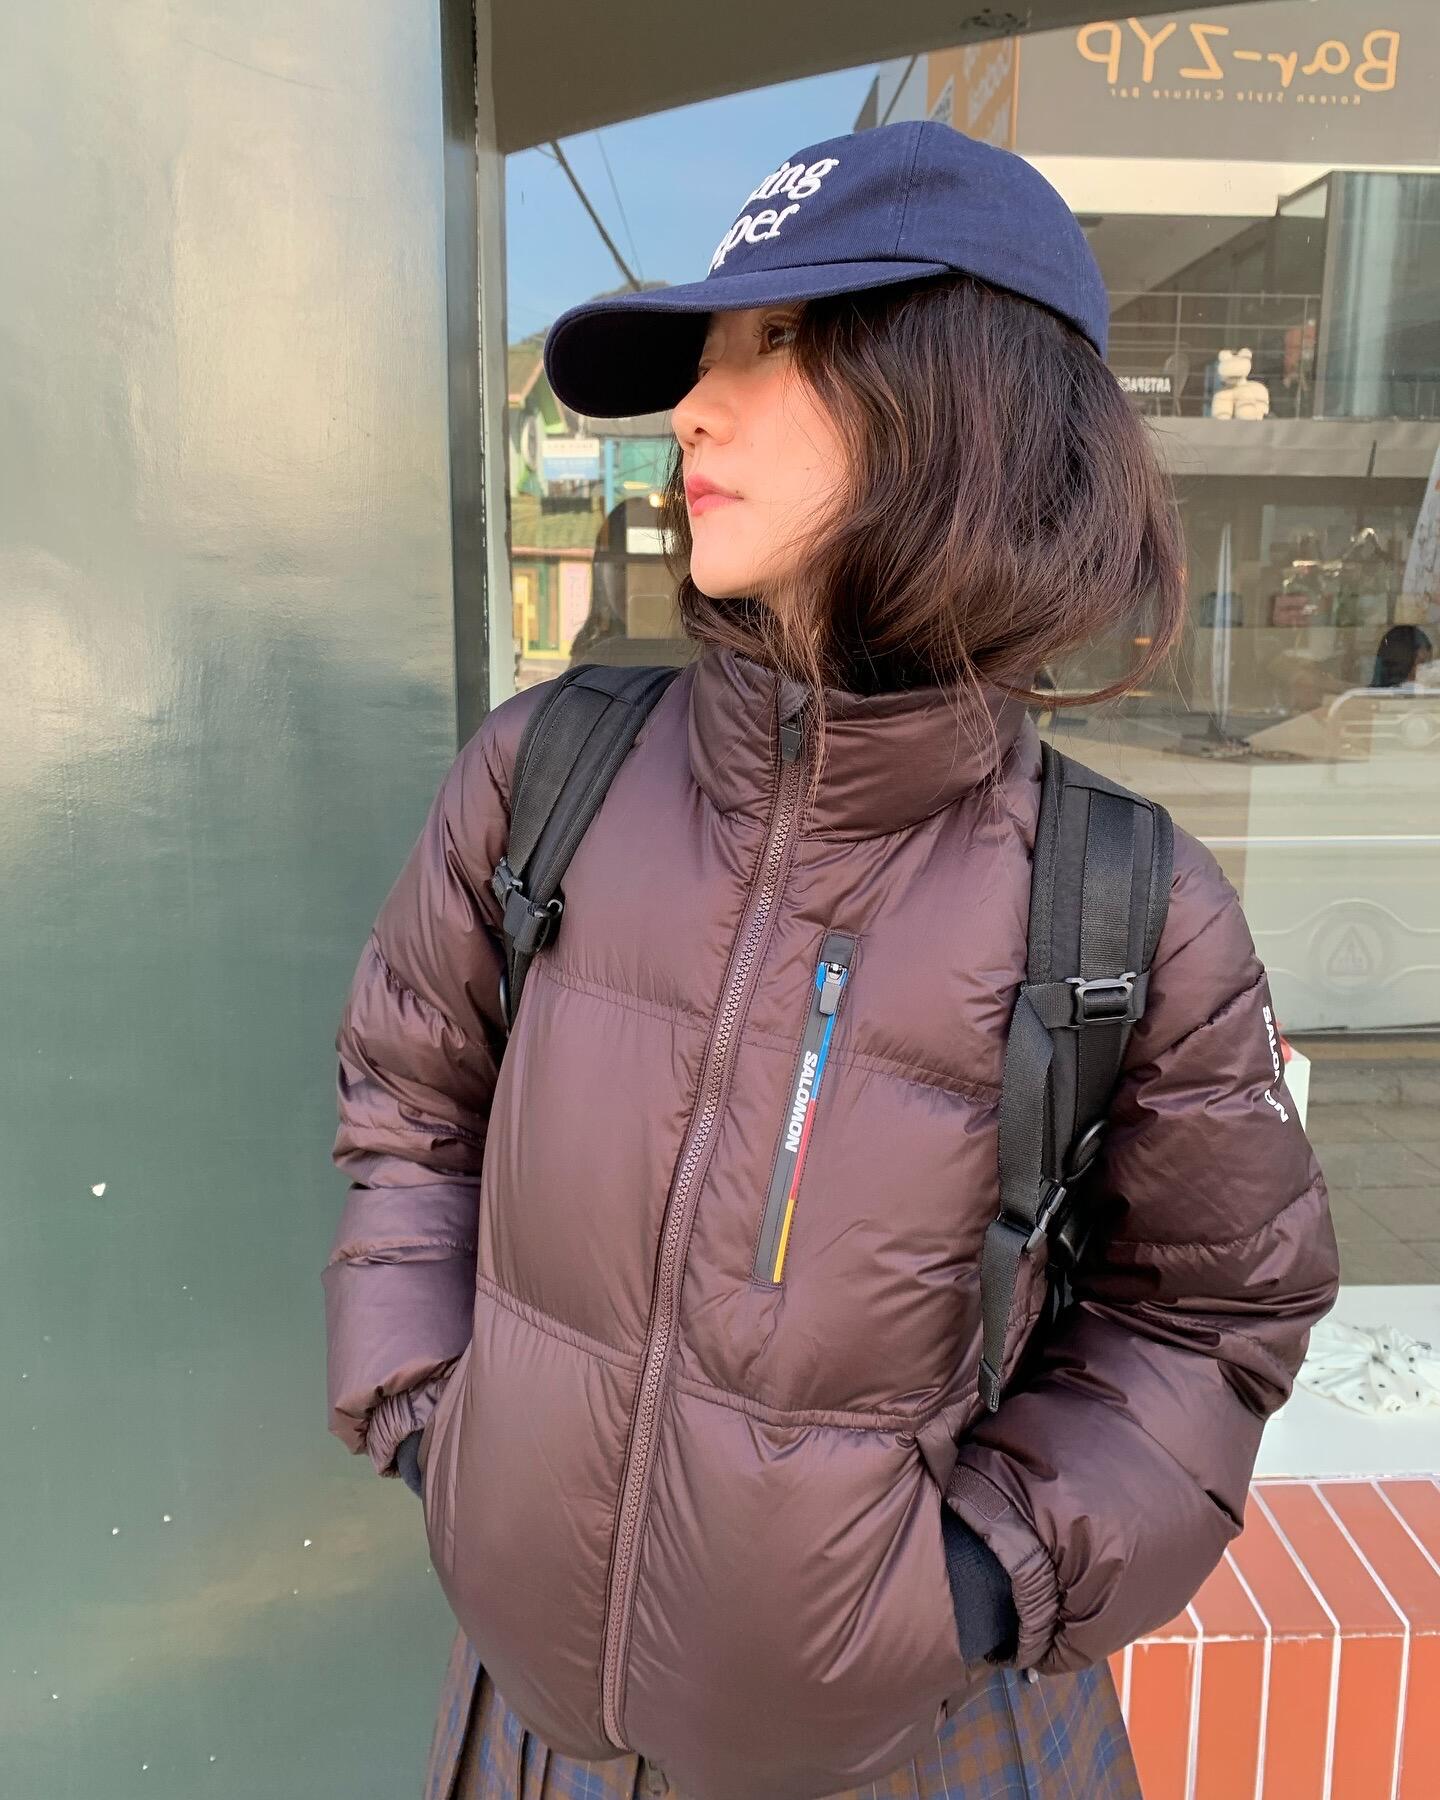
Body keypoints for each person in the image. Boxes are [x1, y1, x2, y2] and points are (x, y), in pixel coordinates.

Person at [323, 122, 1337, 1800]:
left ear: (965, 397)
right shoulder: (545, 777)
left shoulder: (1124, 904)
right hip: (532, 1735)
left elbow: (1219, 1306)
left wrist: (980, 1580)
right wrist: (438, 1423)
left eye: (775, 341)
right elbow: (408, 1113)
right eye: (701, 354)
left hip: (929, 1748)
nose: (692, 409)